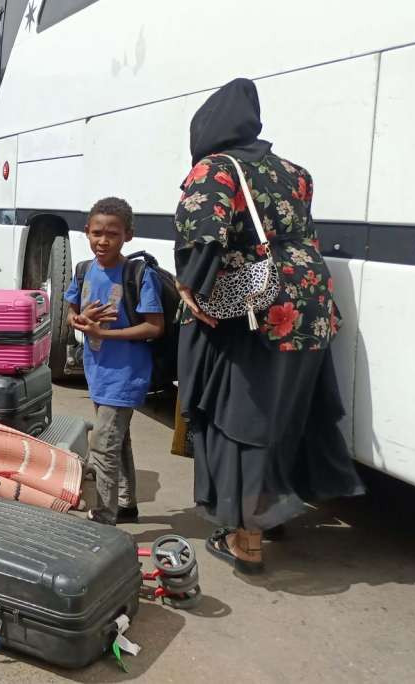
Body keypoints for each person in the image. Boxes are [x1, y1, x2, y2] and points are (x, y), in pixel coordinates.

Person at [174, 78, 364, 573]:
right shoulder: (296, 172)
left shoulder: (215, 168)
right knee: (286, 411)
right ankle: (271, 515)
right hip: (312, 299)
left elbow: (204, 235)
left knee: (243, 418)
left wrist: (190, 288)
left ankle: (247, 541)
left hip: (254, 306)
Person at [66, 197, 165, 526]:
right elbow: (71, 314)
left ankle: (103, 520)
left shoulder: (138, 273)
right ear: (86, 232)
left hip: (126, 374)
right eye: (96, 233)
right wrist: (80, 320)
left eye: (112, 234)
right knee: (117, 440)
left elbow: (154, 325)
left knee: (103, 446)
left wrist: (105, 334)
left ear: (128, 236)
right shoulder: (84, 270)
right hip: (97, 372)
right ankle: (126, 503)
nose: (102, 241)